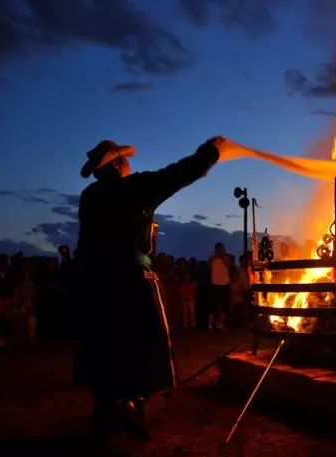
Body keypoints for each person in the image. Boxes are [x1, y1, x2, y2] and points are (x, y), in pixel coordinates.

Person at [73, 136, 225, 439]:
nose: (129, 164)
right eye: (124, 160)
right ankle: (129, 404)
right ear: (117, 163)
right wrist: (210, 152)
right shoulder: (132, 188)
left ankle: (107, 408)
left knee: (106, 343)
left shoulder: (89, 196)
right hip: (130, 279)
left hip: (95, 281)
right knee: (148, 342)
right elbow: (177, 174)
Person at [208, 242, 230, 330]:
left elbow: (228, 266)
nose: (222, 250)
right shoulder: (212, 258)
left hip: (224, 283)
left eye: (223, 248)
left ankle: (221, 324)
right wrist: (215, 257)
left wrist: (223, 257)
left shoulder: (226, 258)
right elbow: (209, 265)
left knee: (224, 305)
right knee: (213, 305)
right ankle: (210, 324)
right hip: (215, 283)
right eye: (220, 249)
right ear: (216, 250)